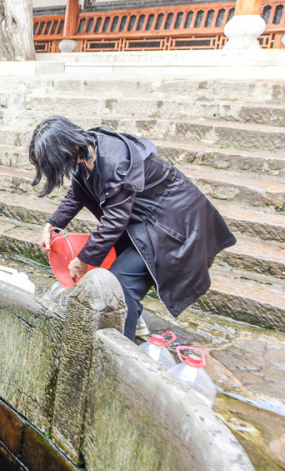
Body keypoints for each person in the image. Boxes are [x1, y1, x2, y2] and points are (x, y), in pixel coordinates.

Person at [29, 116, 236, 340]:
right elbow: (77, 192)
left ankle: (119, 352)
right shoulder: (83, 151)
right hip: (139, 222)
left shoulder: (116, 160)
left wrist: (83, 259)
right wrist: (53, 224)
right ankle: (132, 322)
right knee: (117, 276)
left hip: (169, 223)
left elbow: (114, 221)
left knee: (120, 283)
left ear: (67, 147)